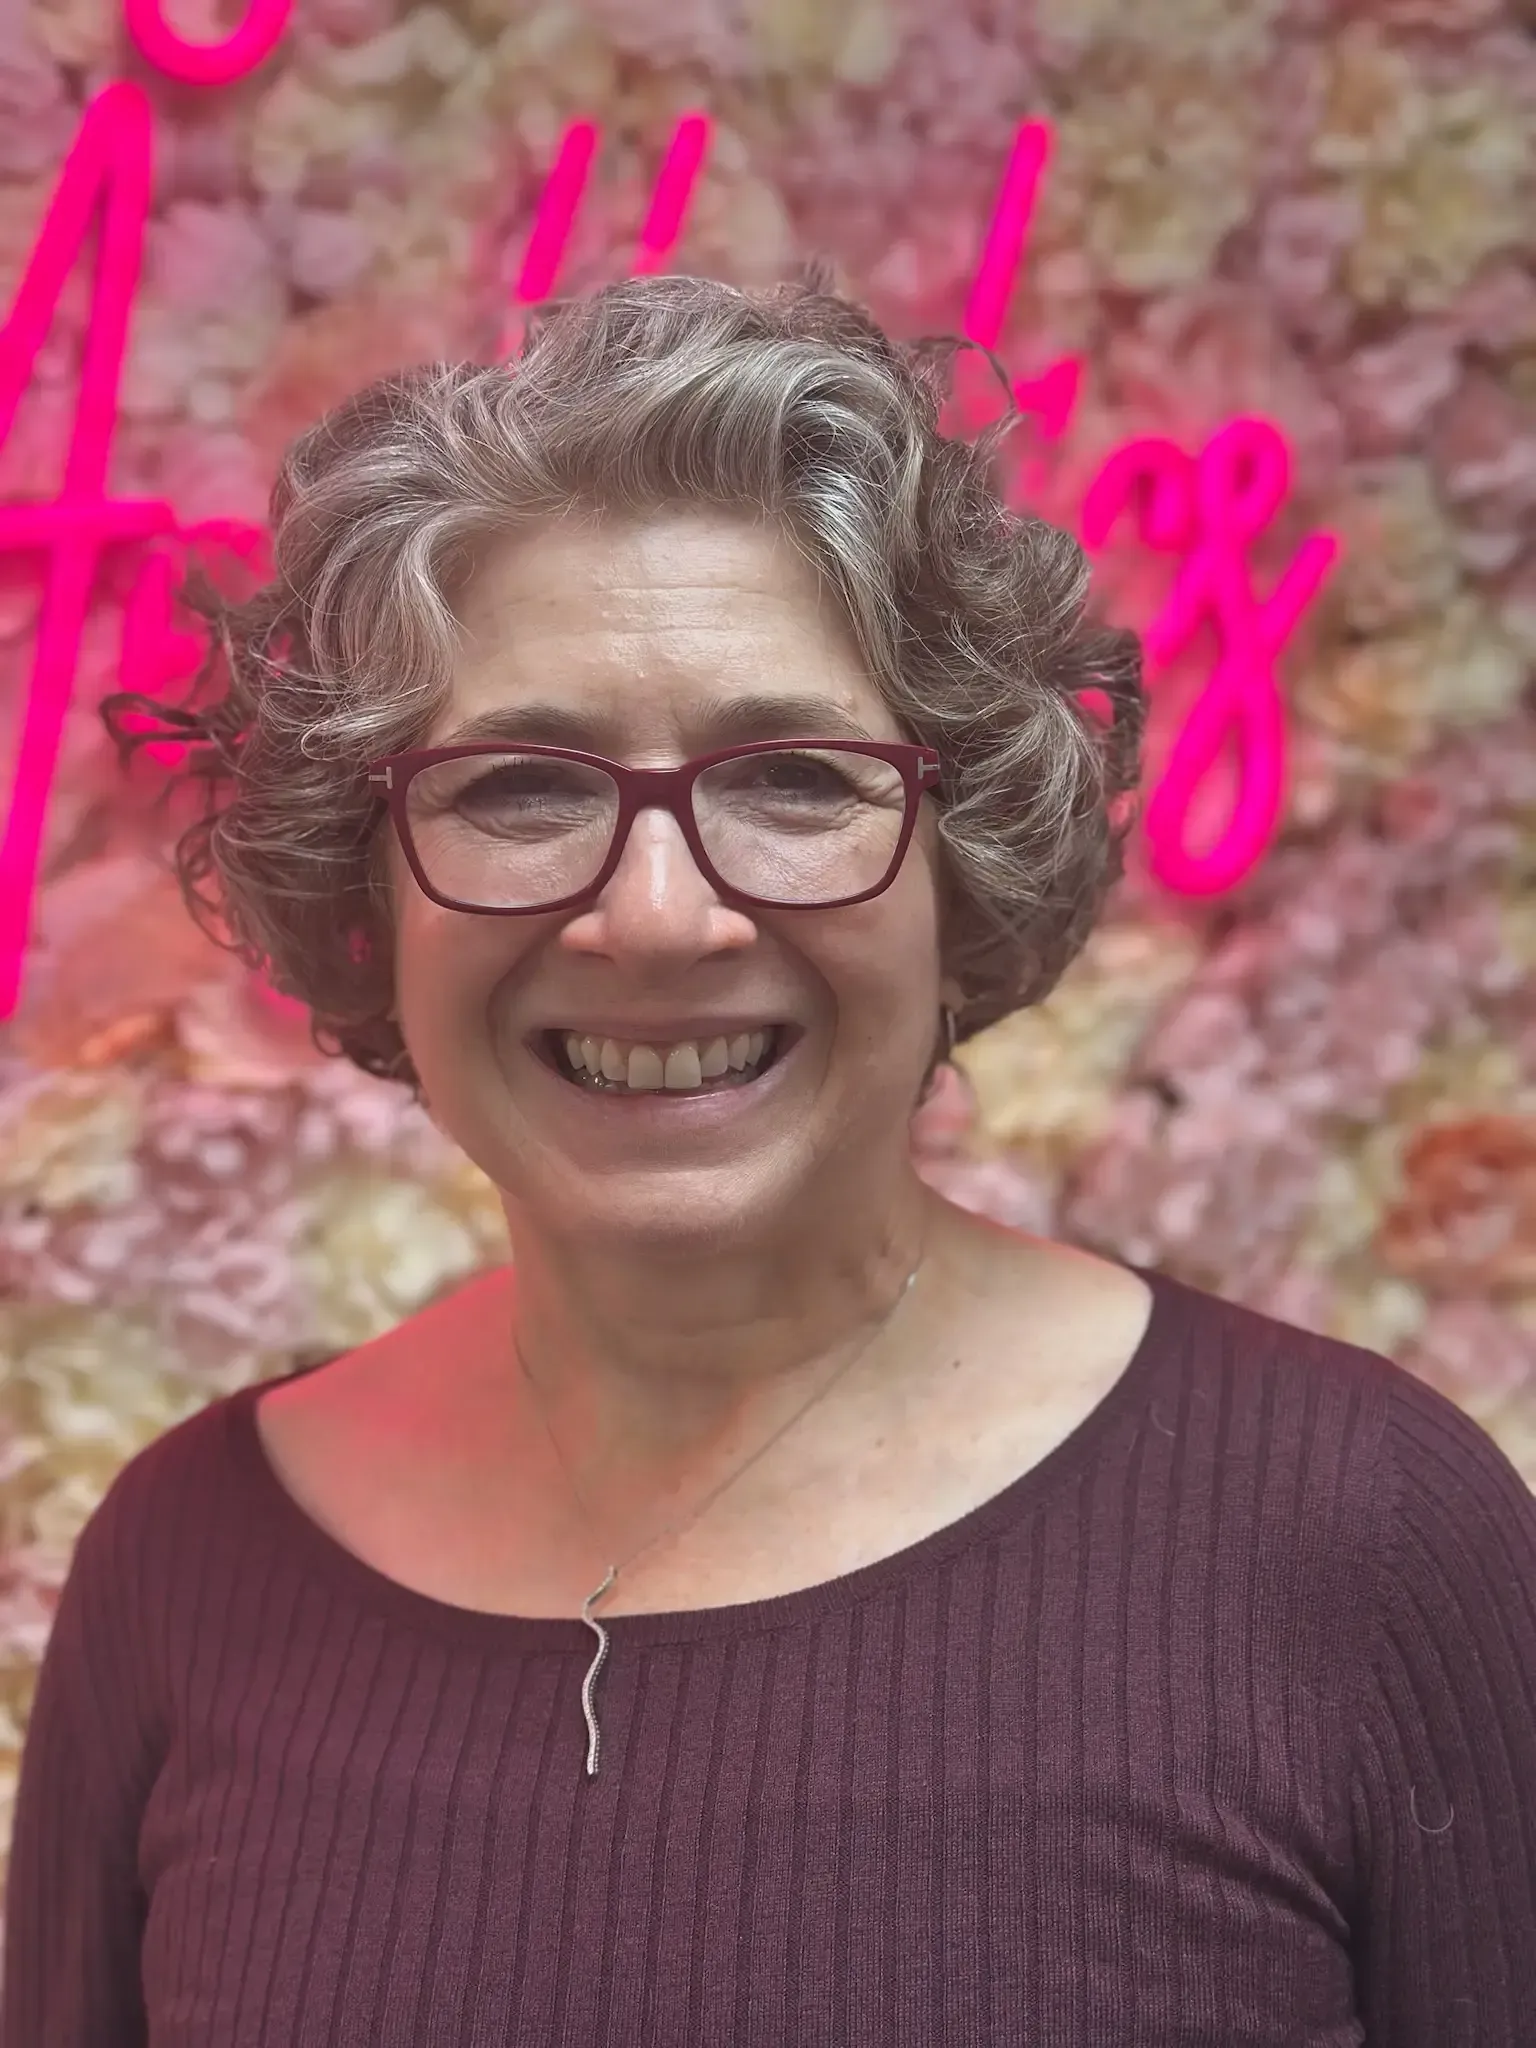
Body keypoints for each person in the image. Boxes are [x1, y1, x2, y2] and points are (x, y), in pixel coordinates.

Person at [4, 270, 1534, 2046]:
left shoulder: (1363, 1540)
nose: (657, 916)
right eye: (520, 788)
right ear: (369, 892)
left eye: (793, 780)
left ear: (964, 859)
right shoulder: (187, 1573)